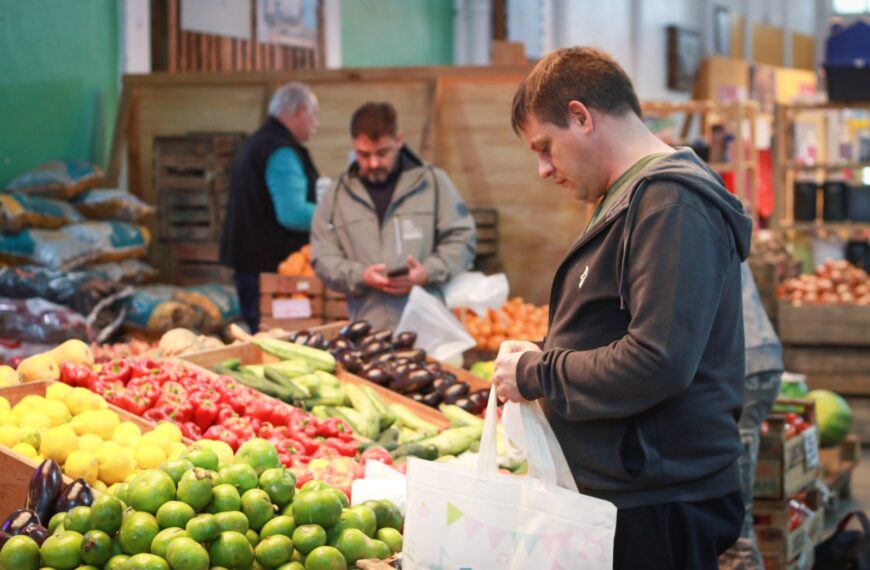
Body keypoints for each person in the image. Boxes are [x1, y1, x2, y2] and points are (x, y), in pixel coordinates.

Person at [493, 46, 751, 569]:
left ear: (581, 116)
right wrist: (548, 350)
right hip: (634, 488)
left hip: (658, 500)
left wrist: (537, 372)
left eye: (545, 147)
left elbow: (657, 359)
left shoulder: (670, 206)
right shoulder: (630, 198)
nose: (544, 169)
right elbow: (620, 329)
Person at [310, 102, 476, 330]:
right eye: (363, 155)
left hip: (428, 331)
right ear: (353, 146)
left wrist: (427, 272)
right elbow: (322, 257)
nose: (374, 163)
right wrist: (360, 276)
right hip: (367, 333)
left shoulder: (434, 184)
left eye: (382, 153)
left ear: (399, 140)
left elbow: (463, 239)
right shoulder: (336, 196)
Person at [220, 82, 320, 332]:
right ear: (299, 111)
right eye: (313, 116)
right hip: (270, 273)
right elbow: (293, 214)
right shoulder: (280, 151)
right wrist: (332, 216)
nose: (315, 126)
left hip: (251, 266)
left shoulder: (257, 143)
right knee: (273, 342)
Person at [718, 263, 783, 570]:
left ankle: (744, 561)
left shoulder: (688, 224)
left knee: (735, 516)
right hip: (759, 357)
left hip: (745, 364)